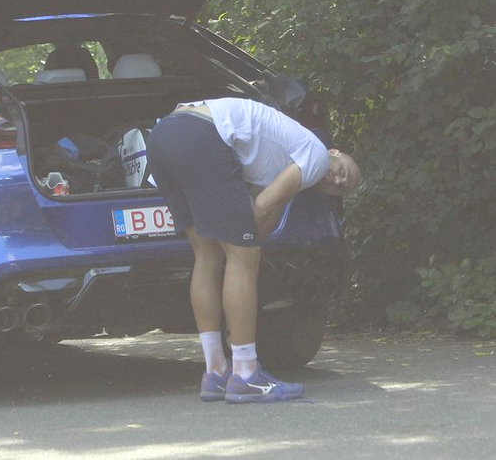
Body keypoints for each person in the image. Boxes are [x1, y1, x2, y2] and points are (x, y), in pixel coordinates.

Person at [145, 97, 360, 404]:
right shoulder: (316, 155)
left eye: (341, 187)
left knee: (207, 256)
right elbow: (261, 208)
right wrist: (245, 251)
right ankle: (246, 374)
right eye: (343, 171)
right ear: (334, 152)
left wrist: (245, 244)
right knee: (243, 258)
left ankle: (216, 372)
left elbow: (263, 211)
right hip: (202, 135)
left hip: (164, 135)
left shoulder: (282, 161)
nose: (337, 180)